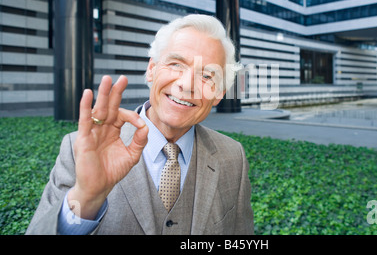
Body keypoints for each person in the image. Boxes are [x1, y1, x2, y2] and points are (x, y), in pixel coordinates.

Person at [26, 14, 254, 235]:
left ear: (219, 94)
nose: (187, 85)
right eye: (176, 64)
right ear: (151, 69)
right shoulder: (80, 149)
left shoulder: (232, 156)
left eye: (207, 76)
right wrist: (86, 199)